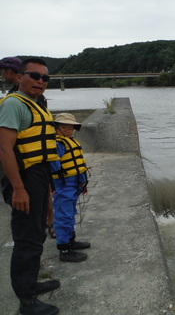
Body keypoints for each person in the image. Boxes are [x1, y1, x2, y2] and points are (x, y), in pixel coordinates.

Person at [0, 58, 60, 315]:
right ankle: (26, 299)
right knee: (26, 237)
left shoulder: (35, 104)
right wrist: (18, 188)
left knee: (36, 233)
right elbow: (4, 149)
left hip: (39, 174)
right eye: (34, 76)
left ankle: (31, 284)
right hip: (24, 177)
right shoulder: (13, 104)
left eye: (45, 78)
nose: (40, 81)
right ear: (19, 76)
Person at [50, 112, 91, 262]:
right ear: (56, 128)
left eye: (71, 128)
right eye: (64, 127)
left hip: (74, 183)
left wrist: (82, 183)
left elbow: (78, 165)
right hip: (63, 184)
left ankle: (70, 240)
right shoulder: (57, 144)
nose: (68, 131)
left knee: (70, 213)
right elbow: (53, 164)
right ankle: (64, 249)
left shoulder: (71, 142)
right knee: (63, 215)